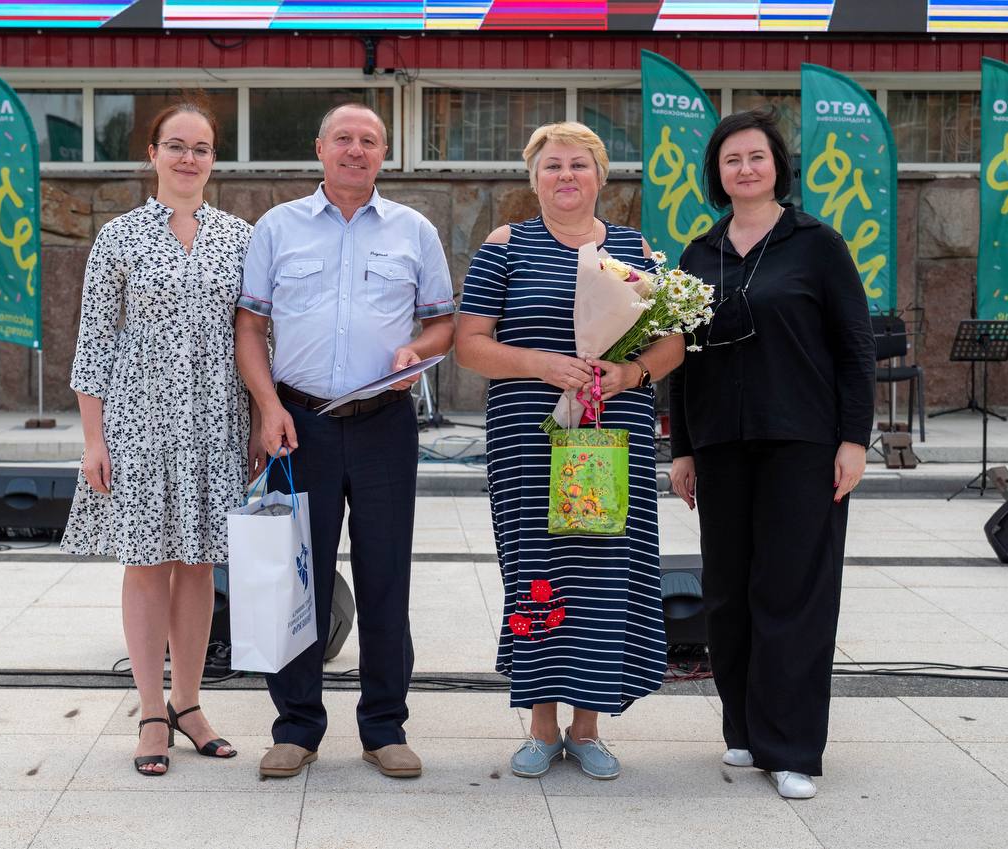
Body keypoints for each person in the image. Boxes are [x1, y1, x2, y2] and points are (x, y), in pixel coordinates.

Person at [455, 122, 683, 781]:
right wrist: (541, 363)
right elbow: (469, 345)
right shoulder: (506, 245)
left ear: (600, 176)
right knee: (538, 571)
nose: (565, 176)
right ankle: (540, 723)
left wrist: (631, 373)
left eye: (578, 165)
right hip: (530, 438)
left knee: (604, 574)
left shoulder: (635, 249)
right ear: (534, 179)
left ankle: (587, 728)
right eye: (552, 165)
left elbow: (671, 343)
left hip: (611, 437)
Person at [236, 103, 455, 781]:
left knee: (387, 574)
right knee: (296, 576)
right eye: (343, 139)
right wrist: (267, 407)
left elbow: (443, 324)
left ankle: (384, 727)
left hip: (385, 424)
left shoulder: (414, 231)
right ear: (320, 148)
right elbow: (250, 328)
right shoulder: (278, 227)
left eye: (368, 140)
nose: (355, 150)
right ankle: (296, 727)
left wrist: (417, 350)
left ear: (384, 153)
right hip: (298, 425)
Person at [667, 108, 876, 800]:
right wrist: (683, 449)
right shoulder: (699, 254)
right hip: (721, 444)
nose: (746, 168)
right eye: (732, 159)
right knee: (729, 592)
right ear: (717, 173)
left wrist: (854, 438)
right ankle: (746, 727)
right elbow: (683, 358)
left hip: (803, 443)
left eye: (757, 156)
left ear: (778, 166)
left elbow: (854, 348)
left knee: (792, 592)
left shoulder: (817, 244)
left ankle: (791, 748)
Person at [63, 100, 253, 775]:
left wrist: (260, 421)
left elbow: (256, 337)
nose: (188, 158)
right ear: (153, 153)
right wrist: (94, 440)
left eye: (201, 148)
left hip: (214, 423)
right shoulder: (119, 236)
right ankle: (150, 711)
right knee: (146, 564)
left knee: (199, 565)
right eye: (176, 145)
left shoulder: (240, 237)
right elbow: (94, 341)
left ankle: (189, 703)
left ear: (214, 159)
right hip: (139, 424)